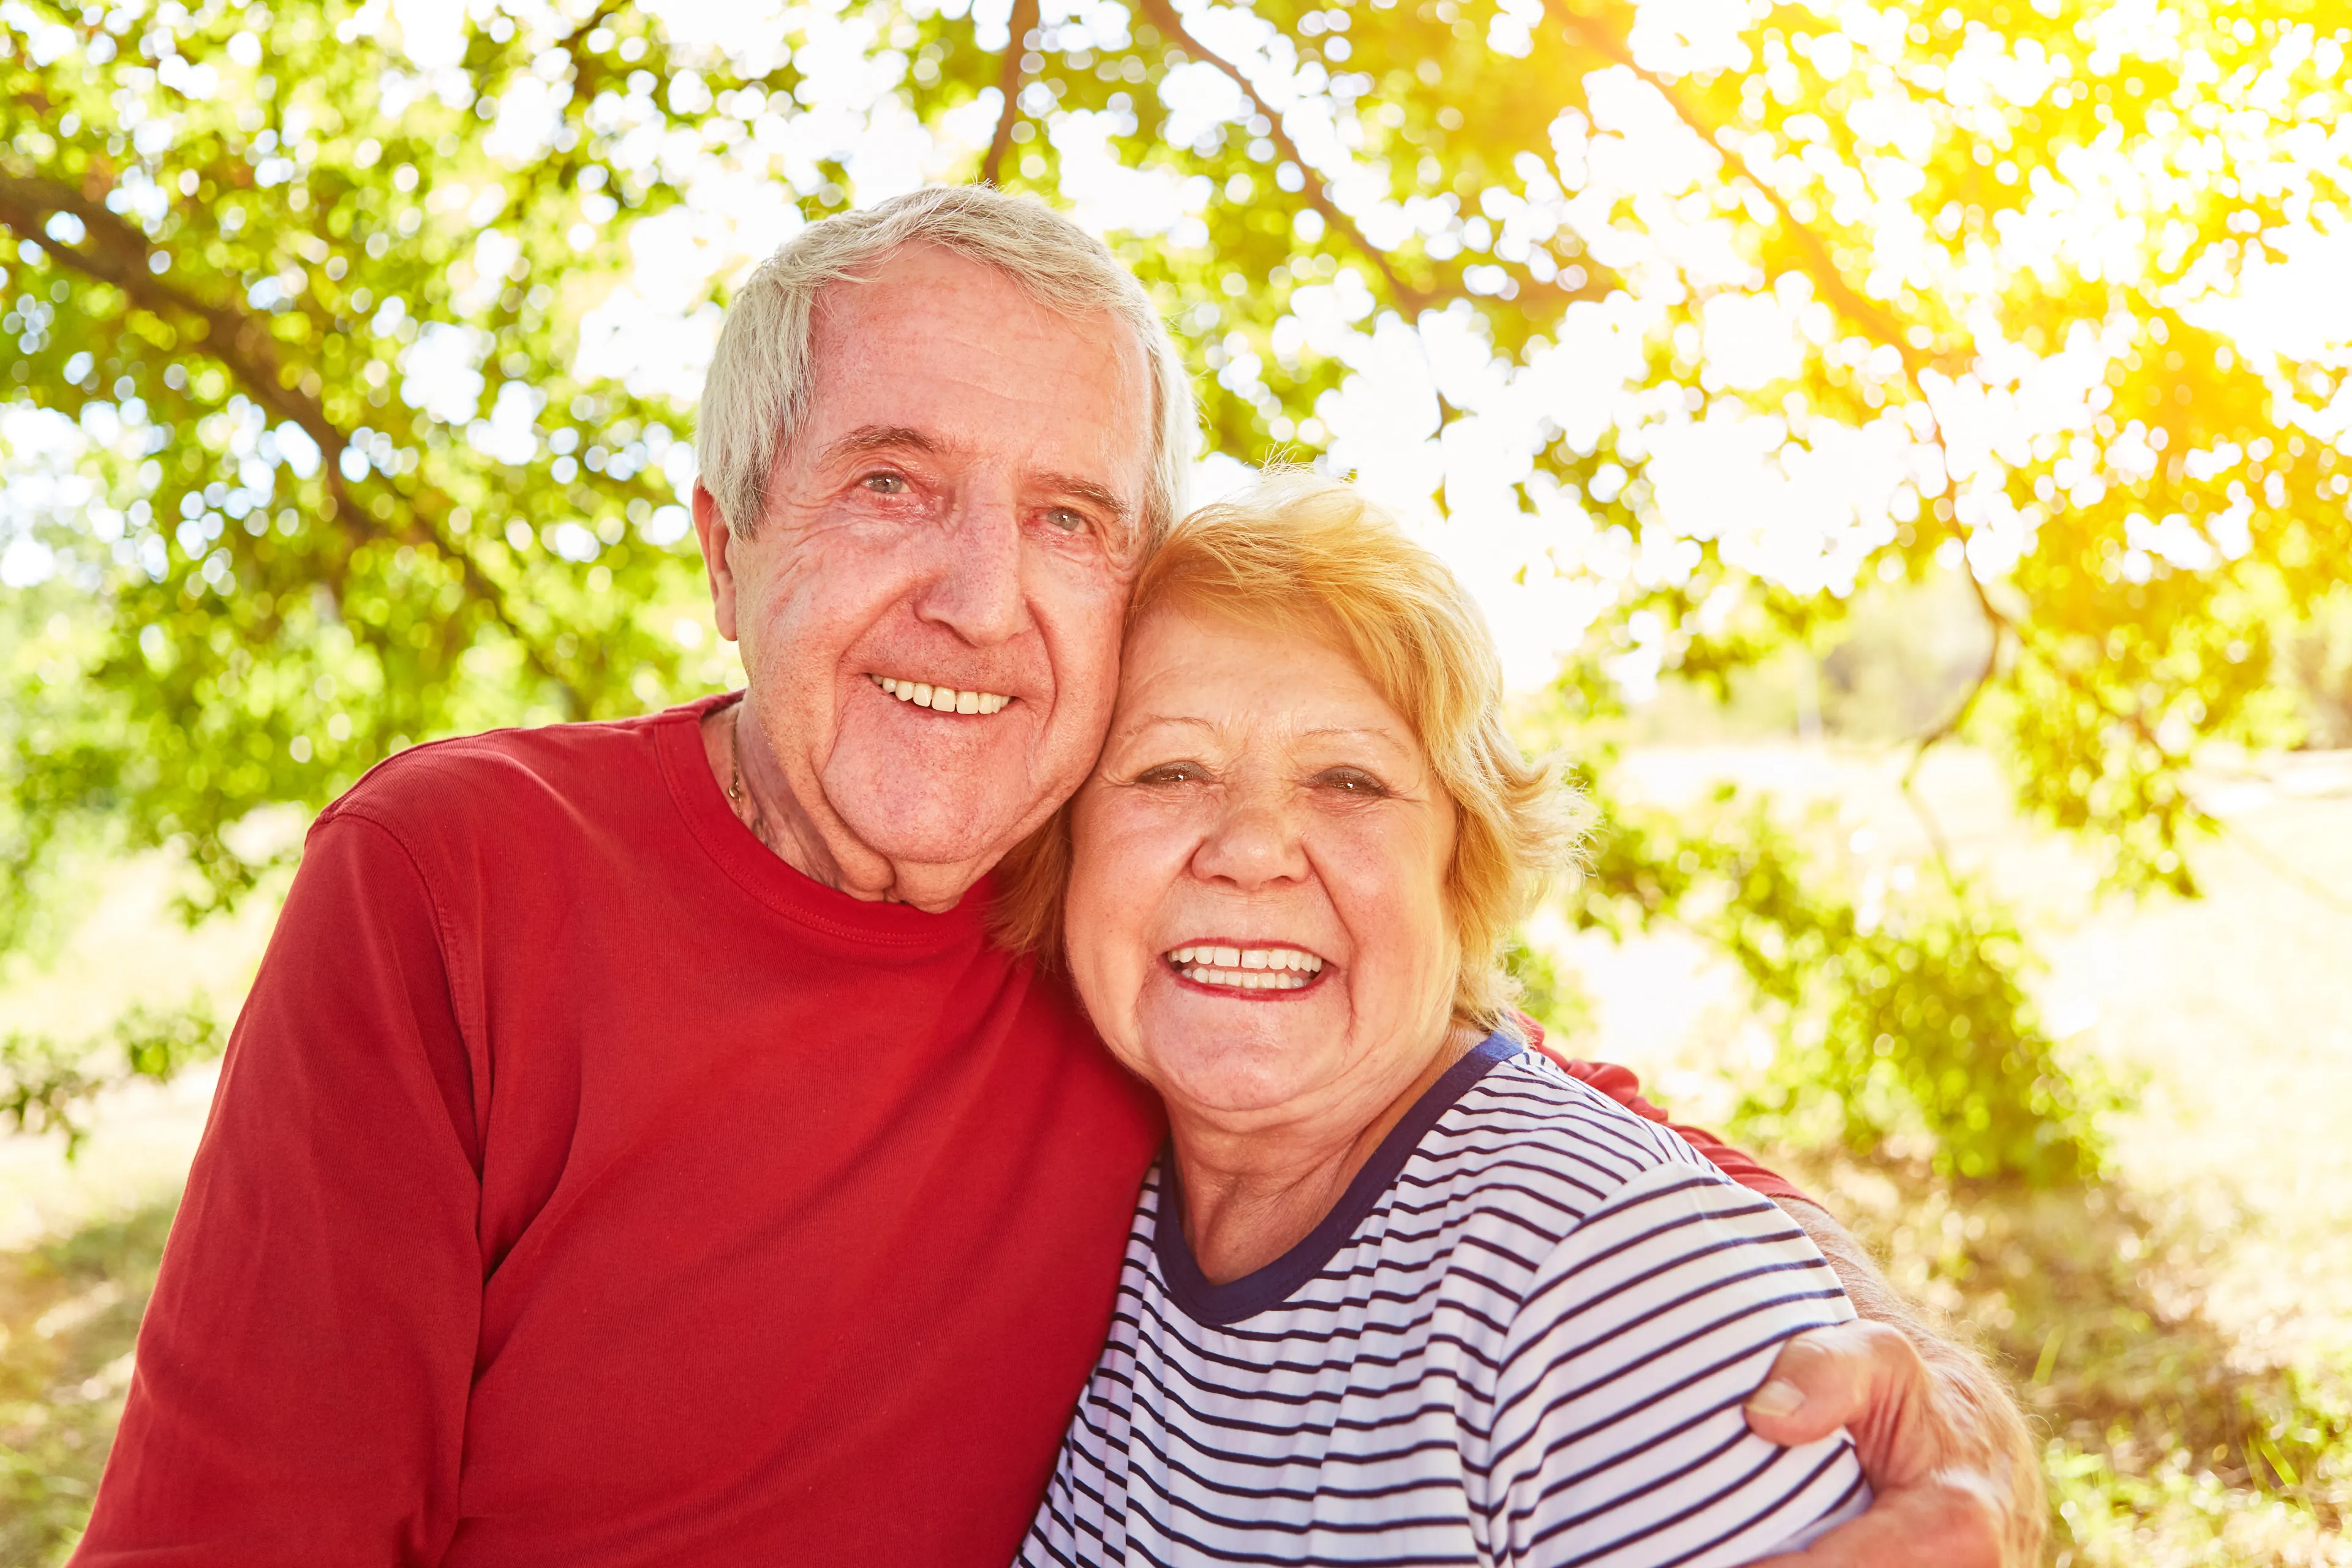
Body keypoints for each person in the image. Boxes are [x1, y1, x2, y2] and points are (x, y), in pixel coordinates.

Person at [76, 187, 2035, 1566]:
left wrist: (1939, 1397)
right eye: (892, 483)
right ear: (726, 547)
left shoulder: (1112, 917)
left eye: (1070, 517)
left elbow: (1508, 1112)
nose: (979, 597)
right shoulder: (457, 881)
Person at [1003, 475, 1869, 1565]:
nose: (1252, 848)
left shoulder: (1608, 1283)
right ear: (1068, 847)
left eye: (1348, 782)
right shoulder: (1120, 1213)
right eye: (1171, 770)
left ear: (1463, 866)